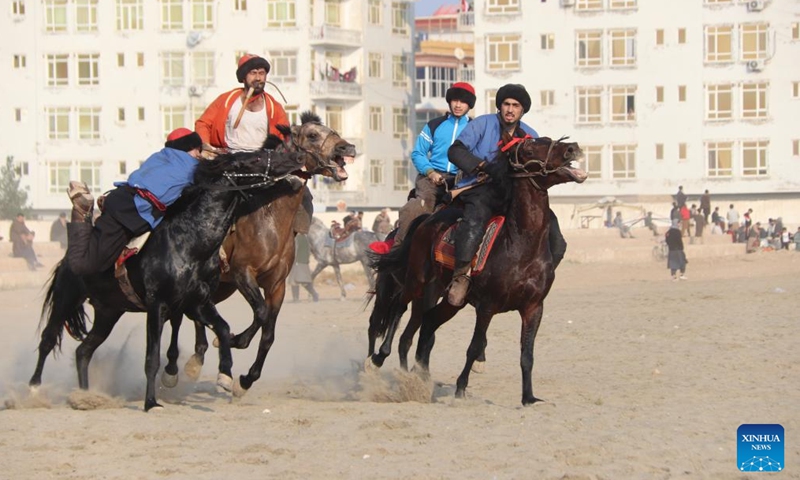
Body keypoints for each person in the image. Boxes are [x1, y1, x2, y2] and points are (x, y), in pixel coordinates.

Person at [446, 83, 566, 307]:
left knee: (557, 239)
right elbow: (455, 151)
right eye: (506, 104)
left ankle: (538, 277)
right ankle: (461, 275)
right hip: (480, 187)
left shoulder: (531, 136)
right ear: (500, 106)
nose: (510, 109)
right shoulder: (482, 123)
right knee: (475, 220)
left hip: (515, 194)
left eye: (516, 105)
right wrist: (481, 165)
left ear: (522, 110)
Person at [65, 128, 203, 275]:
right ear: (188, 147)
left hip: (122, 199)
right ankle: (82, 210)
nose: (199, 155)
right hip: (131, 213)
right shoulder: (193, 167)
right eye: (197, 151)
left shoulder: (160, 157)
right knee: (81, 265)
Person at [395, 82, 475, 244]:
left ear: (470, 104)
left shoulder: (476, 128)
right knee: (415, 208)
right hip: (432, 179)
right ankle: (398, 249)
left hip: (463, 181)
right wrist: (430, 172)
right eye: (454, 100)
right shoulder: (434, 125)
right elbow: (418, 153)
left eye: (463, 101)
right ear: (449, 101)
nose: (458, 105)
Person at [195, 53, 288, 153]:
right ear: (243, 77)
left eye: (261, 73)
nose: (258, 78)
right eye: (253, 73)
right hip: (229, 157)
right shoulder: (225, 100)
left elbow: (286, 137)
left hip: (262, 159)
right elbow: (203, 123)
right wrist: (206, 145)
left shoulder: (275, 108)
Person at [287, 233, 319, 302]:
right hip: (304, 262)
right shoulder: (306, 238)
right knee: (302, 280)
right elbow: (309, 251)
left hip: (297, 262)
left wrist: (292, 260)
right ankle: (297, 298)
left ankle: (314, 294)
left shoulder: (296, 239)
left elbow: (295, 250)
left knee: (297, 281)